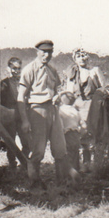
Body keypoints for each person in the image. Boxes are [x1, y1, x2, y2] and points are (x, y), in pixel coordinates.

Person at [16, 40, 79, 189]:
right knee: (38, 149)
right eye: (43, 52)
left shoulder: (52, 69)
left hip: (53, 110)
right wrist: (25, 121)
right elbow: (20, 97)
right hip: (37, 111)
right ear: (37, 52)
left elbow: (56, 90)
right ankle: (35, 182)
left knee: (60, 148)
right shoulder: (29, 69)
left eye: (49, 52)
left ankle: (61, 182)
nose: (47, 55)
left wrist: (57, 97)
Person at [64, 48, 108, 173]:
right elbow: (68, 92)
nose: (82, 58)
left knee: (91, 133)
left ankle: (94, 164)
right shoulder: (72, 73)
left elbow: (104, 88)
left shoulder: (94, 71)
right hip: (77, 105)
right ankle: (80, 163)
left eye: (84, 56)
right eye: (79, 56)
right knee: (79, 133)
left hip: (92, 104)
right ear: (75, 59)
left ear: (88, 58)